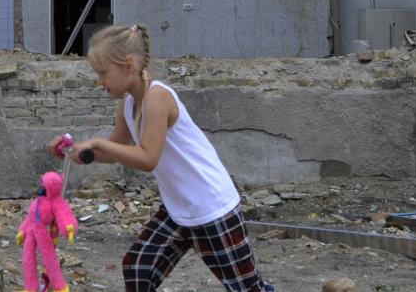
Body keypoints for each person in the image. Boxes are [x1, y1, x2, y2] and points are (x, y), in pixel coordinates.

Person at [54, 23, 276, 292]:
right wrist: (78, 150)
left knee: (248, 289)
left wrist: (97, 143)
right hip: (179, 208)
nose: (100, 81)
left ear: (128, 64)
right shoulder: (127, 106)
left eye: (103, 73)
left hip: (211, 206)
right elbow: (114, 153)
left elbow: (148, 158)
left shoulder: (157, 98)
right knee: (138, 268)